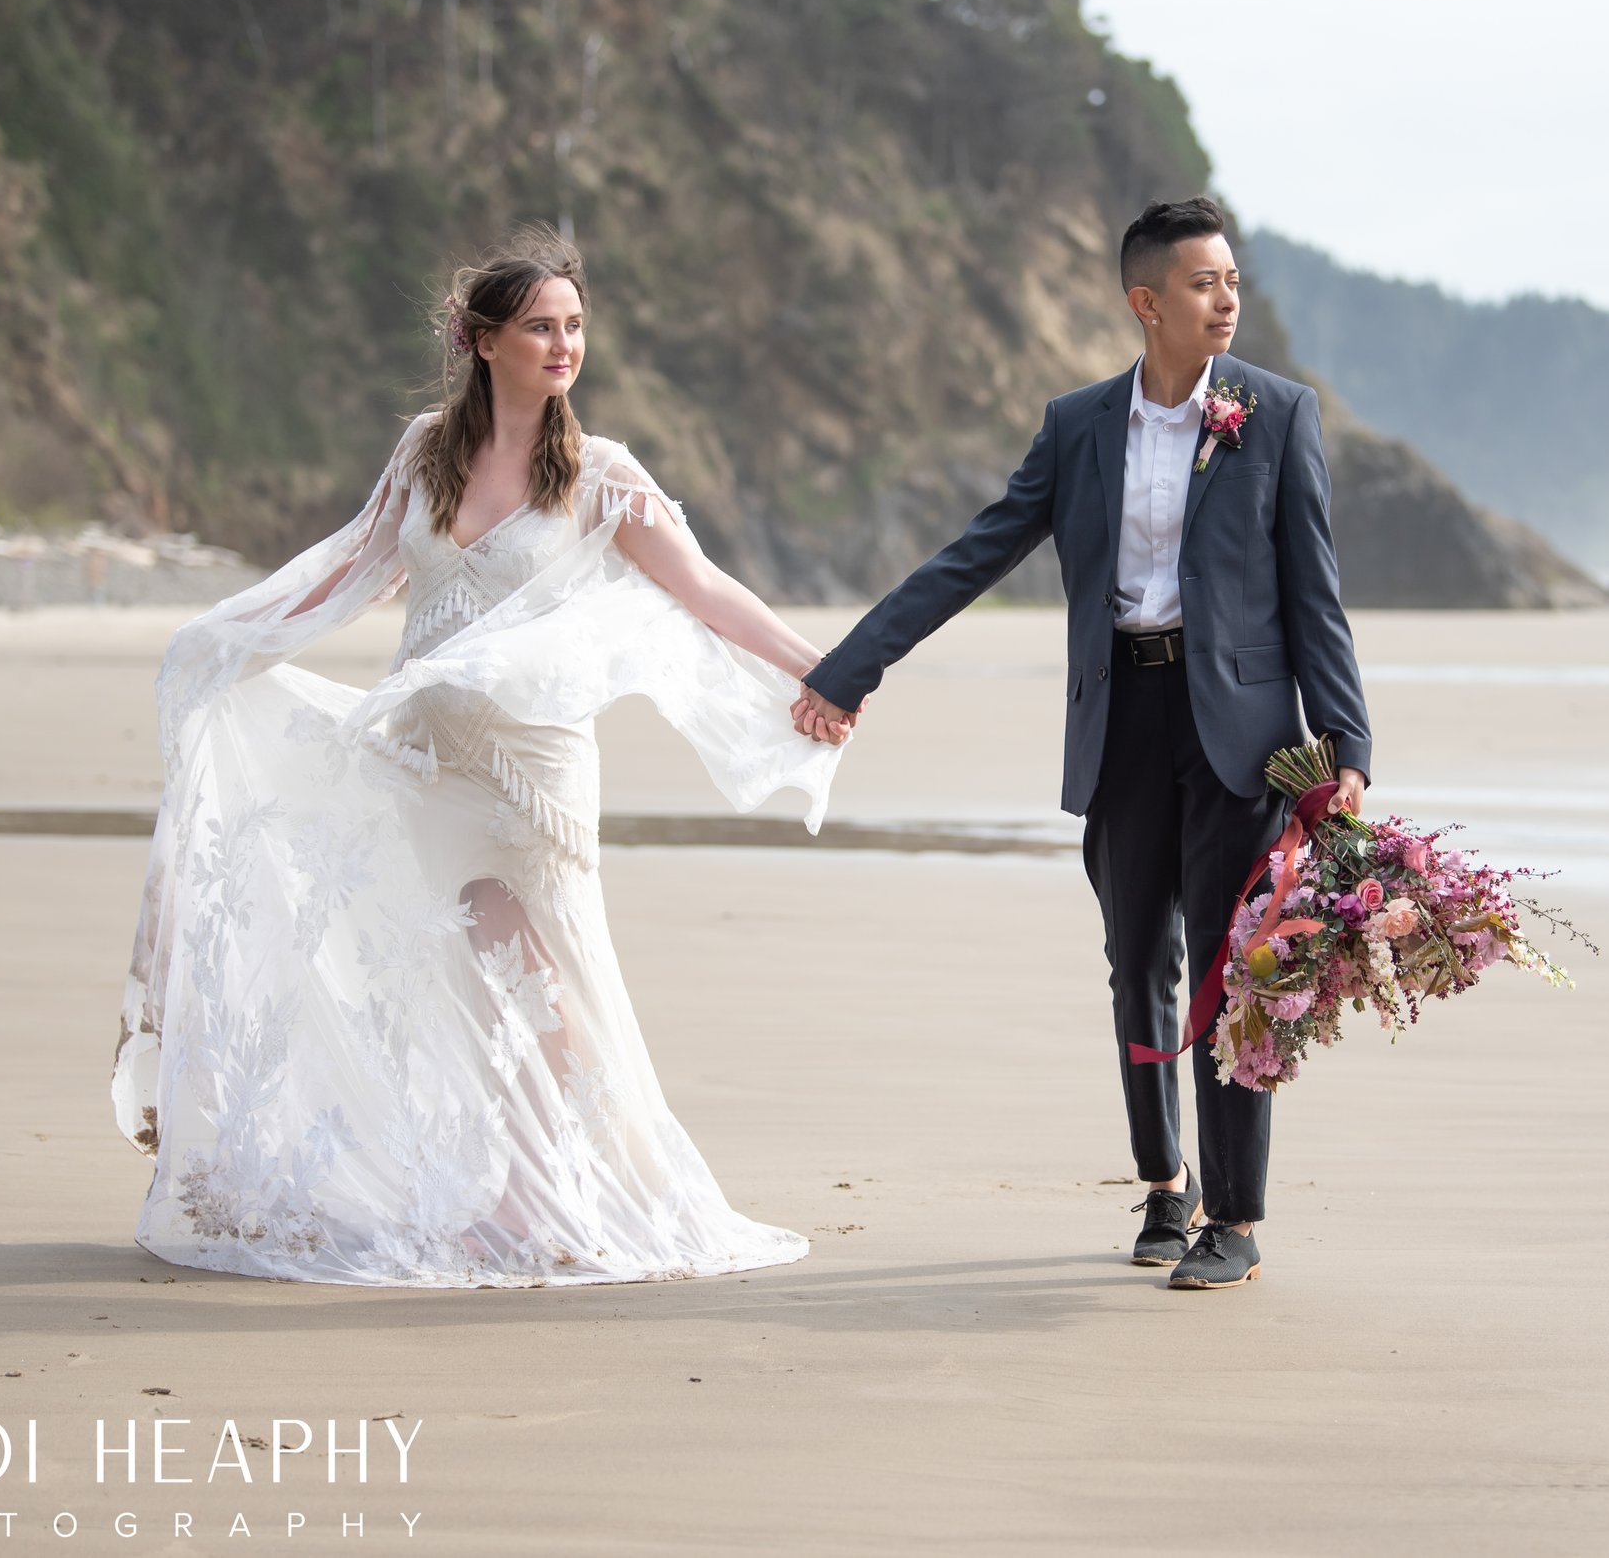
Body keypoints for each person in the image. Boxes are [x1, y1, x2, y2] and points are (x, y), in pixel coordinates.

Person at [113, 228, 855, 1288]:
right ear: (481, 340)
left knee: (543, 970)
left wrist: (820, 666)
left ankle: (533, 1193)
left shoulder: (600, 473)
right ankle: (502, 1179)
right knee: (463, 965)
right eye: (542, 327)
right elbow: (351, 571)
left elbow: (703, 588)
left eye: (575, 326)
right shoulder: (427, 450)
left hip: (532, 770)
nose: (565, 345)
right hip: (421, 757)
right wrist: (234, 644)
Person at [793, 197, 1374, 1290]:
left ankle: (1236, 1215)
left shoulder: (1279, 415)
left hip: (1243, 739)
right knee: (1136, 965)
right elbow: (975, 554)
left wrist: (1344, 745)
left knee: (1233, 966)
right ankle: (1167, 1183)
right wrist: (850, 665)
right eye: (1204, 283)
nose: (1227, 299)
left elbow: (1316, 596)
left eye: (1233, 281)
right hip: (1121, 723)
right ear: (1144, 301)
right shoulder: (1076, 428)